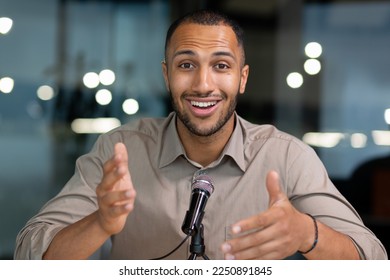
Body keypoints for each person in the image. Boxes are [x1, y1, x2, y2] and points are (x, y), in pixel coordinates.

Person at [15, 9, 387, 260]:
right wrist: (98, 223)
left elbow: (373, 259)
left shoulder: (286, 156)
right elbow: (28, 255)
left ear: (242, 78)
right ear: (166, 75)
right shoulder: (121, 149)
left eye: (221, 66)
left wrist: (308, 233)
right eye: (186, 65)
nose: (203, 84)